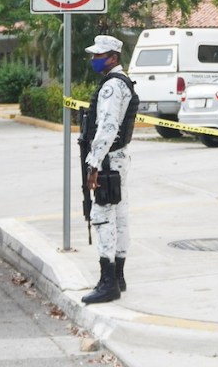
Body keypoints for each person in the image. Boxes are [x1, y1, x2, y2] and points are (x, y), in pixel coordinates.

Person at [80, 34, 137, 305]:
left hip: (107, 160)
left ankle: (108, 282)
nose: (94, 60)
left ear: (113, 57)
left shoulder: (111, 87)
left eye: (98, 56)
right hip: (119, 158)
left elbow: (107, 127)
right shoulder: (122, 82)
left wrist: (93, 163)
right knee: (120, 215)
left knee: (102, 216)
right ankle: (119, 277)